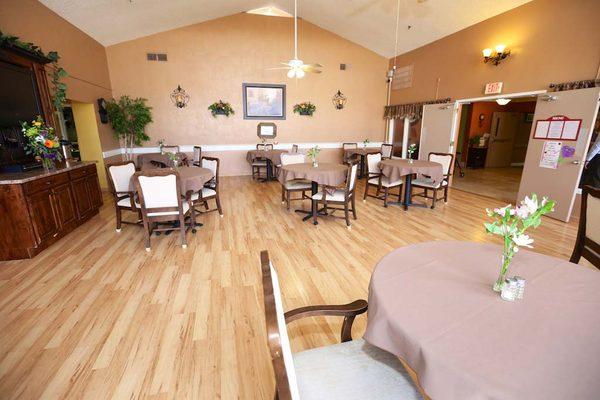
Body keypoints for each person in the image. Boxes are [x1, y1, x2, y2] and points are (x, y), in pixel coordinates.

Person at [582, 113, 600, 188]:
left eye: (597, 123)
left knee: (593, 179)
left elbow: (597, 146)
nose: (596, 124)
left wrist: (587, 159)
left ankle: (588, 196)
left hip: (597, 158)